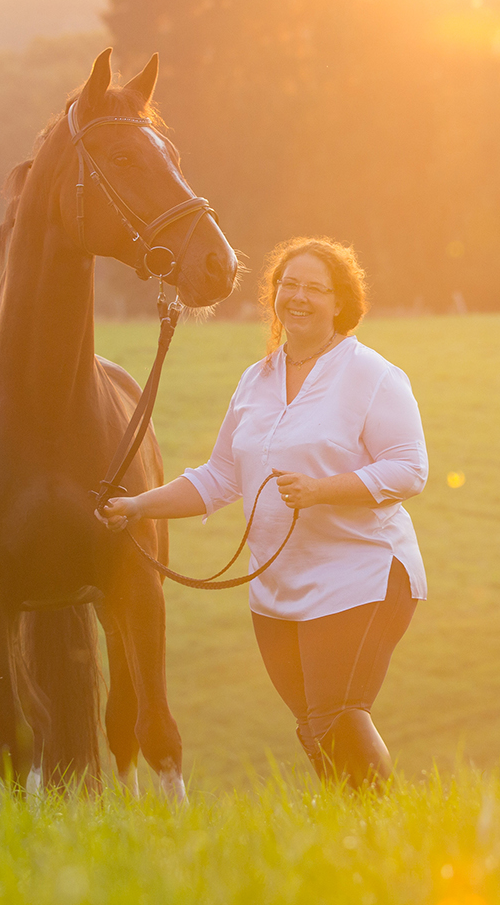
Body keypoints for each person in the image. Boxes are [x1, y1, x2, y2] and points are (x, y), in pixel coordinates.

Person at [97, 237, 427, 789]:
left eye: (314, 288)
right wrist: (137, 506)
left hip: (363, 576)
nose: (297, 297)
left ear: (340, 302)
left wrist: (323, 489)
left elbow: (408, 470)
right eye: (287, 285)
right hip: (275, 588)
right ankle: (353, 835)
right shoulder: (256, 380)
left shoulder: (373, 376)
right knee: (313, 728)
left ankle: (388, 828)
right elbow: (220, 477)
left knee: (336, 716)